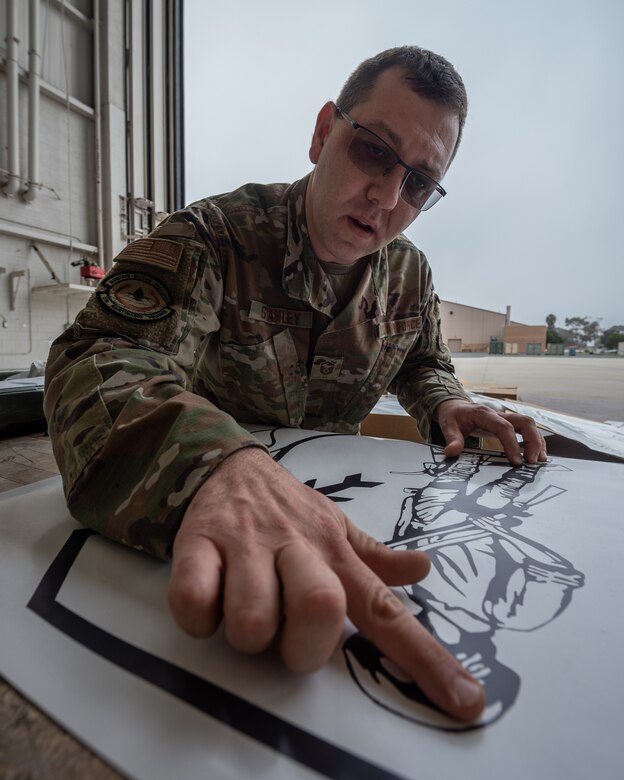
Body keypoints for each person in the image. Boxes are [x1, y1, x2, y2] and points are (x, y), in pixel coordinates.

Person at [44, 46, 546, 724]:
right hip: (216, 522)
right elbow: (97, 360)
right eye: (374, 151)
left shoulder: (410, 276)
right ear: (321, 135)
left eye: (421, 183)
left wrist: (447, 400)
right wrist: (212, 465)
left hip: (346, 510)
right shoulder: (214, 237)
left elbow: (420, 359)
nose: (388, 198)